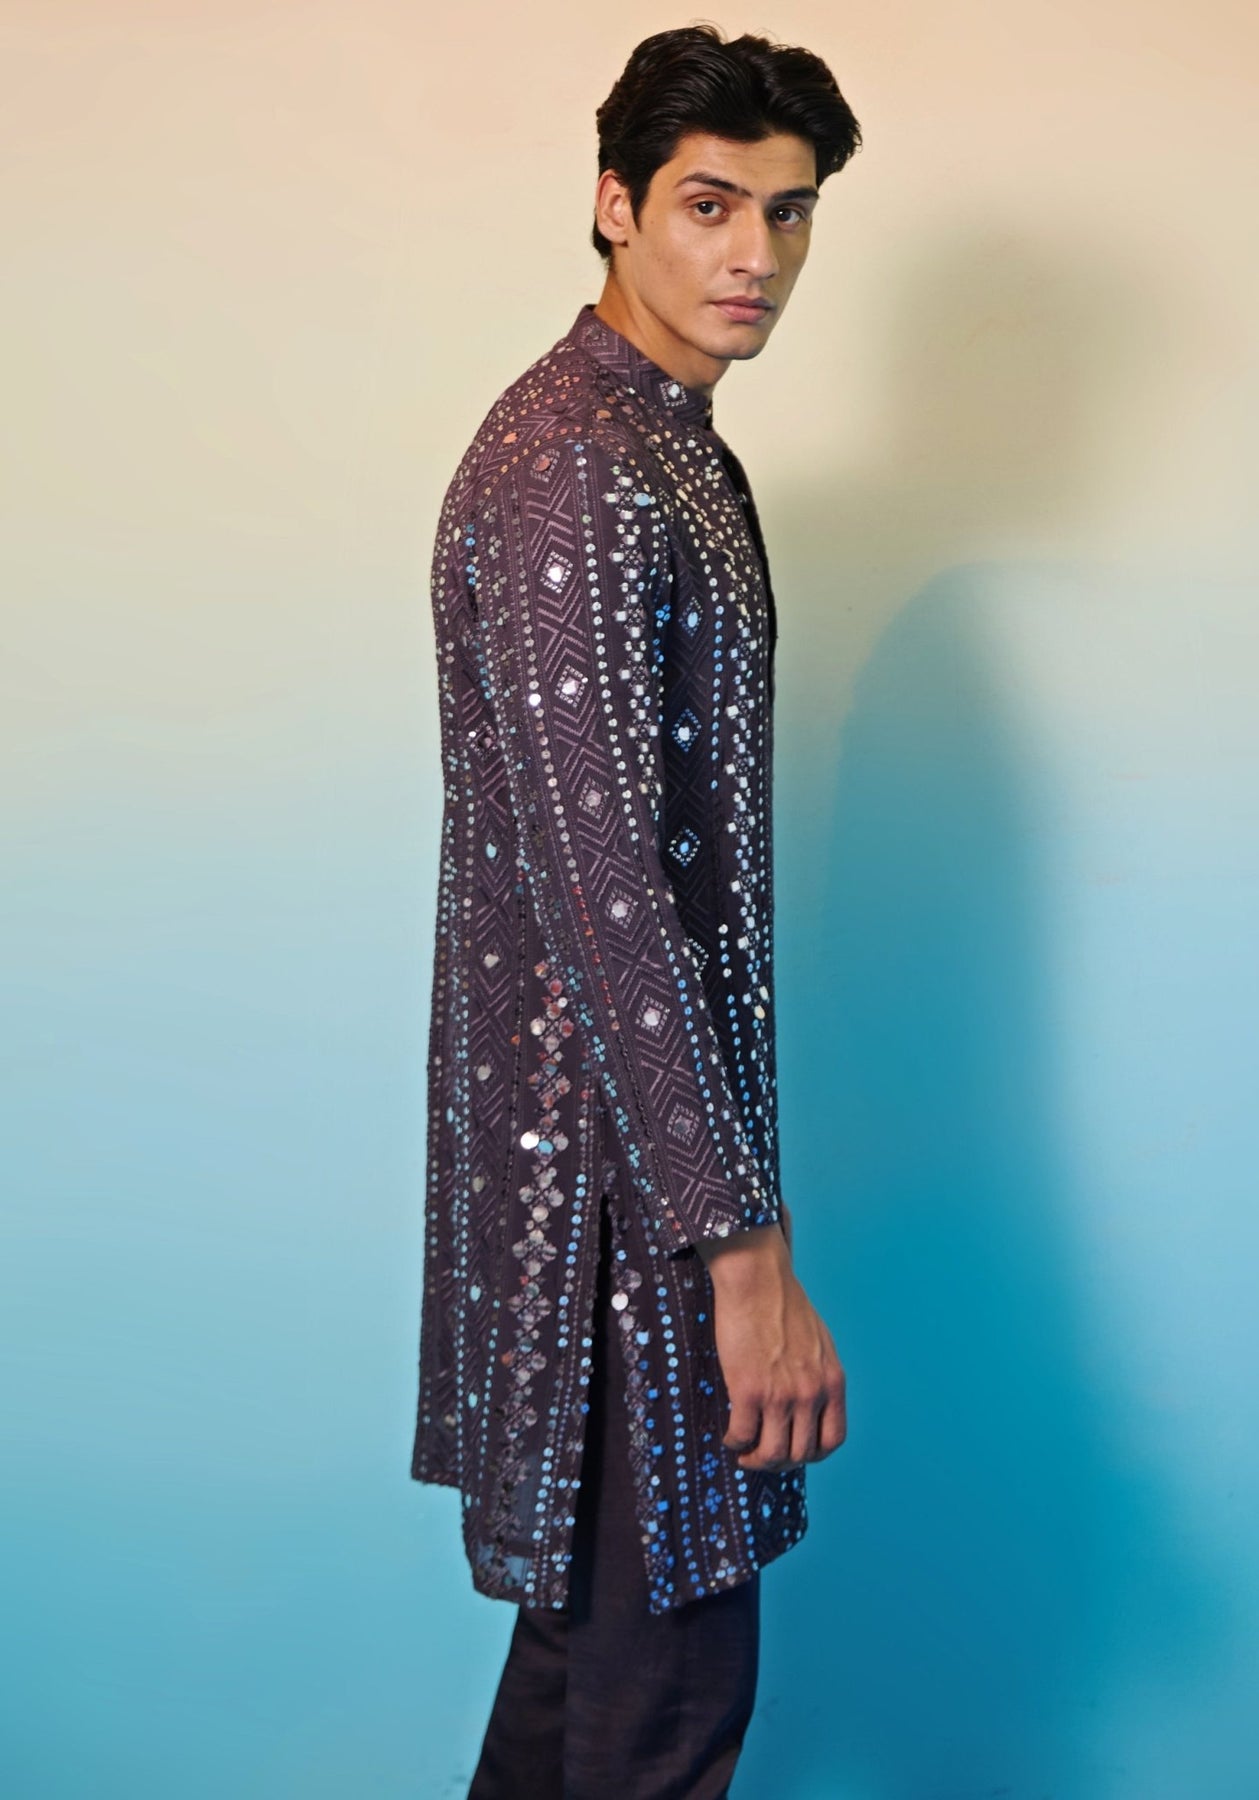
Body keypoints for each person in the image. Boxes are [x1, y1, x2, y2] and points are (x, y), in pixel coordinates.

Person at [410, 24, 862, 1797]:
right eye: (708, 205)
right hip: (610, 1211)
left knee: (581, 1707)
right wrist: (738, 1255)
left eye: (788, 212)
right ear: (616, 206)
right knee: (657, 1715)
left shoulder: (659, 444)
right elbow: (604, 896)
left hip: (637, 1182)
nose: (756, 254)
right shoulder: (575, 464)